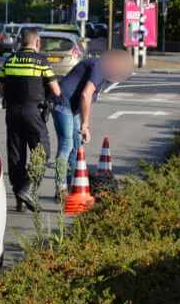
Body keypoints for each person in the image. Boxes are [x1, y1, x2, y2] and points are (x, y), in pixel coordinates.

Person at [51, 50, 134, 198]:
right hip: (63, 104)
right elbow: (86, 94)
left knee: (77, 146)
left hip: (73, 107)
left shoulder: (102, 70)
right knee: (67, 145)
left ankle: (73, 185)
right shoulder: (99, 68)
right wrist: (85, 125)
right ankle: (60, 187)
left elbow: (86, 96)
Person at [0, 28, 61, 211]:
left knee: (16, 155)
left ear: (21, 42)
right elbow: (56, 91)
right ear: (37, 42)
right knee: (43, 152)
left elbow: (1, 89)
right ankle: (27, 187)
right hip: (33, 112)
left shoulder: (10, 60)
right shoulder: (41, 62)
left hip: (12, 112)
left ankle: (19, 198)